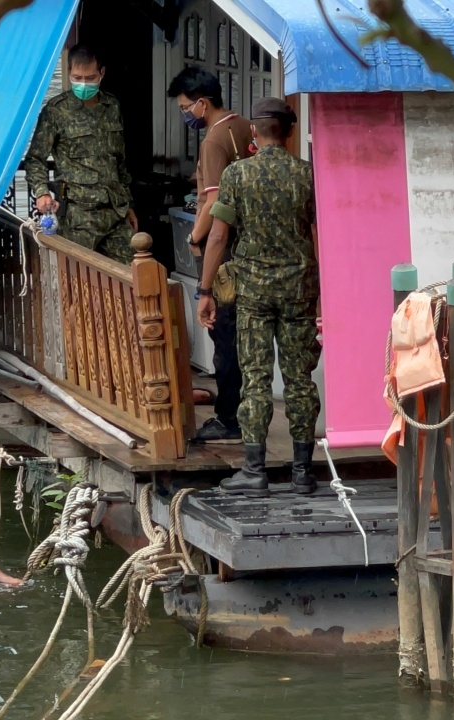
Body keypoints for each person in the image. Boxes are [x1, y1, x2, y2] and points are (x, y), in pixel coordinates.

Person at [196, 96, 320, 497]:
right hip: (300, 289)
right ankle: (303, 471)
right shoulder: (307, 176)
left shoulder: (237, 176)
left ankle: (255, 469)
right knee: (300, 380)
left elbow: (218, 235)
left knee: (256, 378)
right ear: (289, 132)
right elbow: (320, 236)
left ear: (254, 132)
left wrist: (204, 289)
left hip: (253, 292)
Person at [167, 66, 251, 443]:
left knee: (222, 331)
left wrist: (194, 237)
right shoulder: (244, 126)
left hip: (223, 249)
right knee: (244, 335)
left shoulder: (214, 140)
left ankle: (228, 418)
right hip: (249, 246)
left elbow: (214, 201)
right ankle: (244, 410)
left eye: (186, 107)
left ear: (202, 104)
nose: (185, 114)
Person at [23, 44, 137, 264]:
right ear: (69, 74)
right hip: (78, 216)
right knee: (78, 281)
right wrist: (41, 192)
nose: (83, 83)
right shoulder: (56, 111)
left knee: (133, 276)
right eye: (77, 77)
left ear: (102, 73)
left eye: (90, 77)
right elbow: (35, 158)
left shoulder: (111, 106)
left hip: (115, 213)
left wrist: (129, 204)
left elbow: (119, 162)